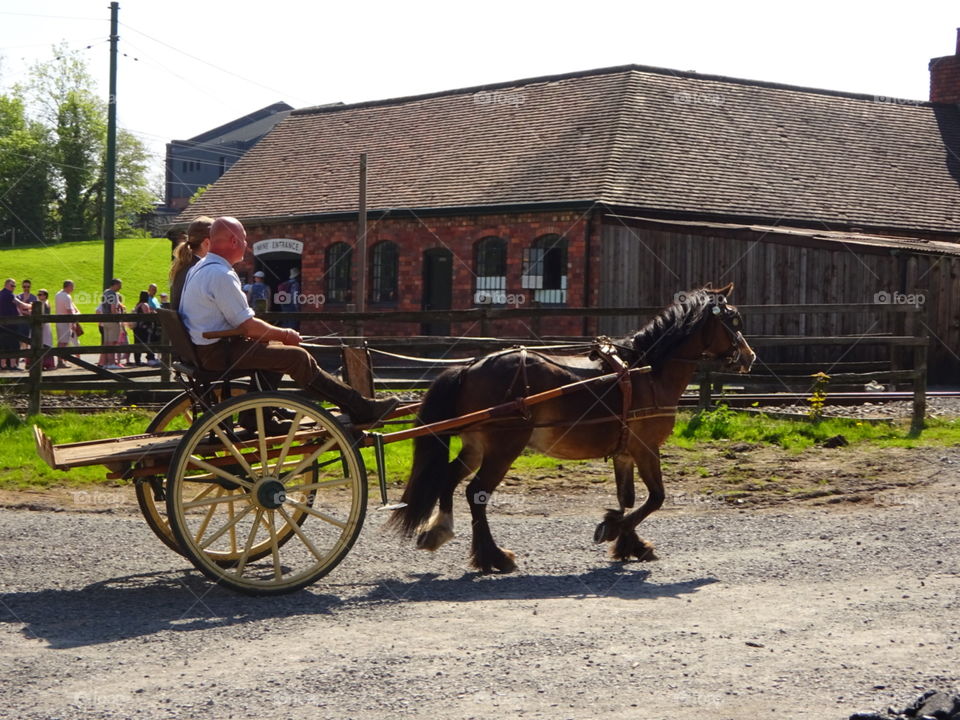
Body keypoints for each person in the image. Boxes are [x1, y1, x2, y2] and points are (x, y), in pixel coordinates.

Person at [179, 216, 397, 424]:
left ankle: (257, 415)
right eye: (244, 239)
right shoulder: (220, 275)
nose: (246, 245)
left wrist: (277, 338)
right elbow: (249, 326)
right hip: (217, 353)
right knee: (297, 357)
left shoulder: (200, 268)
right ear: (234, 241)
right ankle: (361, 408)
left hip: (207, 349)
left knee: (276, 351)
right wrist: (285, 334)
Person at [169, 216, 212, 311]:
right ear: (207, 243)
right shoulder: (201, 269)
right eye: (217, 241)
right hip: (195, 324)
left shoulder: (184, 264)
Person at [0, 279, 30, 370]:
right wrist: (32, 305)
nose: (13, 287)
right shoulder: (9, 294)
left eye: (14, 286)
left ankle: (3, 365)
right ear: (6, 285)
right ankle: (13, 365)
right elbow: (21, 305)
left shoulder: (0, 294)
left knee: (2, 345)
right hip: (11, 324)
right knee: (14, 344)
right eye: (12, 285)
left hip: (2, 324)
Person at [54, 280, 81, 368]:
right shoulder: (66, 296)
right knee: (64, 342)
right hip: (65, 322)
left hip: (59, 321)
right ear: (68, 286)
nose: (73, 288)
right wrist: (73, 322)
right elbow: (69, 311)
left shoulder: (58, 294)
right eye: (72, 286)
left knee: (61, 341)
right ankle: (61, 361)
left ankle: (61, 360)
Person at [99, 278, 123, 369]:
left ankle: (106, 363)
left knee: (107, 342)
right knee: (113, 343)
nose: (121, 287)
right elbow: (113, 309)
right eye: (119, 285)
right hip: (112, 321)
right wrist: (118, 317)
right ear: (115, 285)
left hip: (105, 320)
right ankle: (111, 363)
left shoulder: (106, 292)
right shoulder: (113, 294)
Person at [133, 290, 158, 366]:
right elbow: (147, 316)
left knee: (137, 344)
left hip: (137, 328)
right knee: (148, 343)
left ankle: (137, 360)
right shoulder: (145, 305)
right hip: (144, 328)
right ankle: (150, 358)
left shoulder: (138, 305)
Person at [16, 279, 37, 367]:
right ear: (22, 287)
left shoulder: (33, 297)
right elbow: (17, 308)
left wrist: (26, 312)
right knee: (21, 338)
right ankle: (24, 354)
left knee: (29, 338)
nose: (26, 288)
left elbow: (34, 309)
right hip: (21, 321)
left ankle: (27, 356)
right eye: (24, 286)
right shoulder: (19, 296)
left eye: (28, 287)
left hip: (29, 321)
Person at [35, 289, 56, 370]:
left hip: (45, 326)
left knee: (45, 343)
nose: (39, 296)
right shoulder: (42, 303)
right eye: (38, 294)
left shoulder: (45, 304)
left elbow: (45, 316)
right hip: (42, 326)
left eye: (40, 294)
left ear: (45, 296)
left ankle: (47, 364)